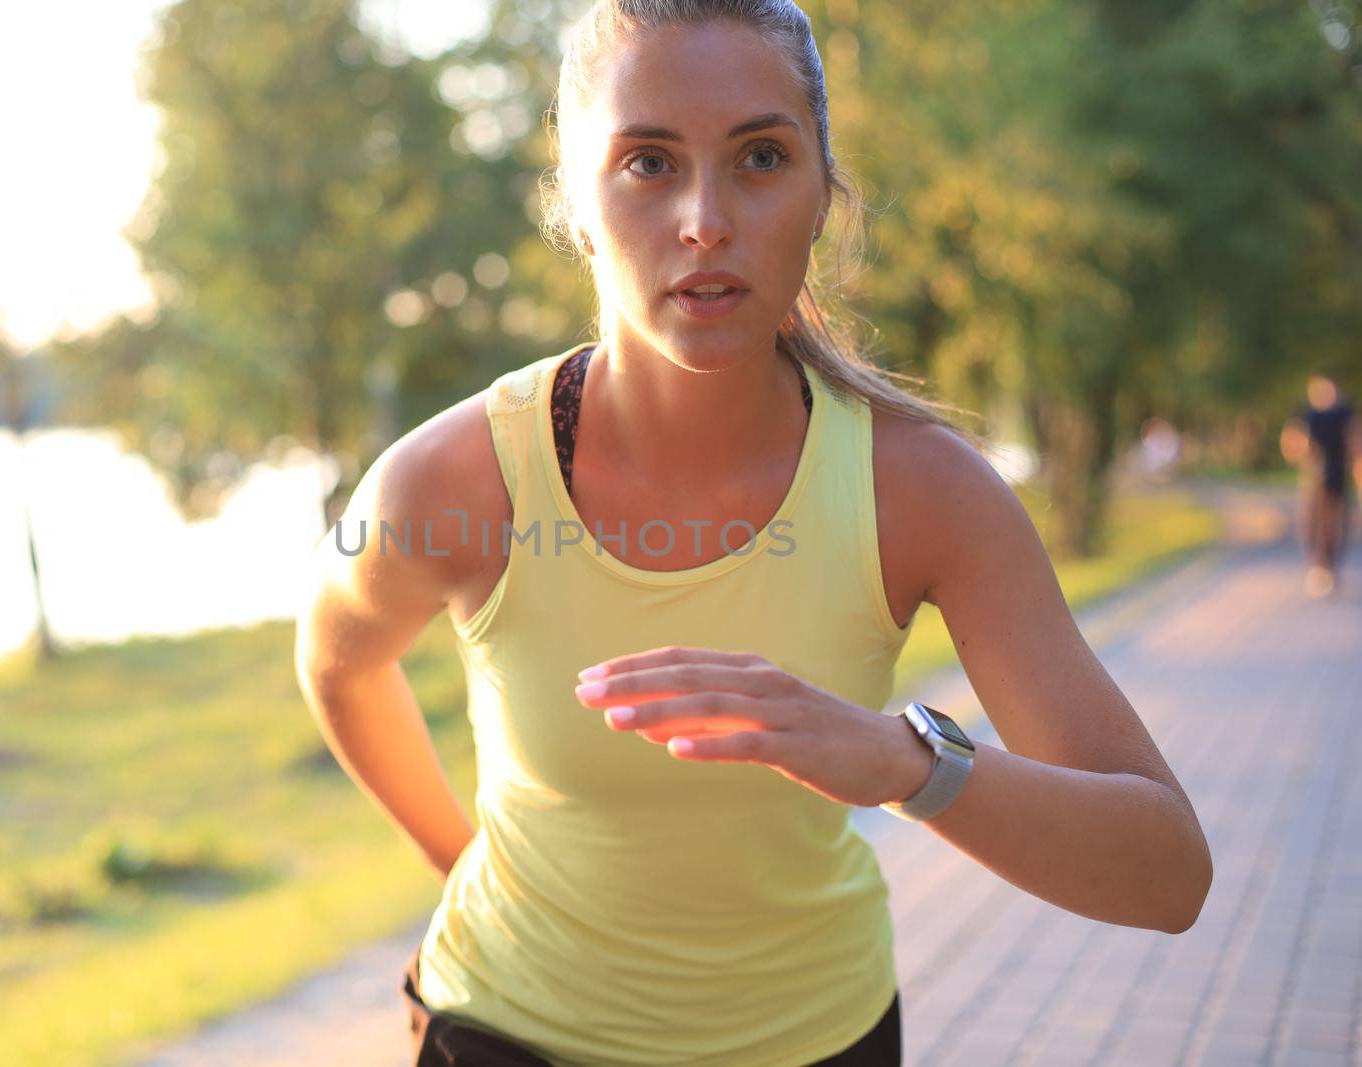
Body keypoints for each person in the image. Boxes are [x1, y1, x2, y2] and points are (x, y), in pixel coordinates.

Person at [294, 2, 1212, 1064]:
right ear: (573, 204)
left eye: (761, 156)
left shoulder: (922, 492)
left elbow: (1167, 872)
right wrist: (456, 856)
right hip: (504, 1033)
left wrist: (903, 760)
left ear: (822, 192)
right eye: (646, 162)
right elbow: (337, 660)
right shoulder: (447, 480)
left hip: (817, 1040)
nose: (704, 219)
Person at [1280, 371, 1359, 598]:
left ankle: (1329, 569)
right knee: (1311, 523)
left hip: (1336, 477)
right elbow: (1291, 445)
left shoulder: (1345, 413)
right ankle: (1316, 568)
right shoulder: (1305, 414)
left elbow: (1355, 443)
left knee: (1334, 525)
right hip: (1312, 478)